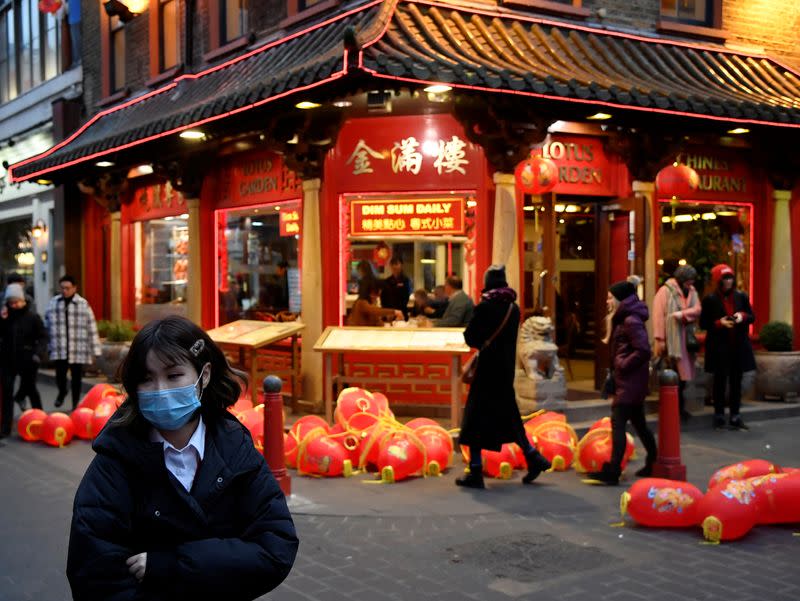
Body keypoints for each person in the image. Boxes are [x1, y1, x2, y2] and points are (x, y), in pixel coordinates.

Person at [66, 316, 298, 600]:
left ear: (205, 375)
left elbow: (275, 547)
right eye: (147, 379)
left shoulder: (235, 449)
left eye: (174, 375)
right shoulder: (115, 462)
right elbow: (94, 575)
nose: (161, 391)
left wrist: (174, 564)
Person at [456, 265, 551, 489]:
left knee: (474, 420)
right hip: (505, 372)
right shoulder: (514, 309)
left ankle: (476, 471)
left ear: (487, 282)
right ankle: (532, 457)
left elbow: (471, 338)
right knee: (510, 417)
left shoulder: (485, 307)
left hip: (487, 372)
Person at [587, 281, 658, 485]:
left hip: (630, 381)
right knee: (639, 423)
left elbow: (643, 349)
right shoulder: (624, 318)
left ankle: (613, 470)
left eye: (610, 297)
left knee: (618, 421)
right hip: (630, 380)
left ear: (619, 299)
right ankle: (653, 459)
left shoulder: (630, 320)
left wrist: (622, 364)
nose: (607, 301)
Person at [699, 264, 755, 431]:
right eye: (725, 278)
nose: (728, 281)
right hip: (719, 348)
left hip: (738, 347)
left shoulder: (741, 297)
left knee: (737, 382)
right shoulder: (710, 299)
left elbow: (752, 316)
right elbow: (703, 323)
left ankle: (735, 415)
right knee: (719, 382)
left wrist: (741, 316)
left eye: (730, 277)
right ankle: (719, 415)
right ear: (718, 281)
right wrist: (719, 323)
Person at [652, 265, 701, 422]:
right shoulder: (665, 291)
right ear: (681, 280)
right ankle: (670, 409)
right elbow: (658, 317)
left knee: (683, 379)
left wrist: (682, 314)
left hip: (686, 341)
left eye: (692, 281)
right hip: (671, 341)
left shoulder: (692, 291)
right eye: (688, 281)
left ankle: (680, 408)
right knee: (671, 376)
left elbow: (698, 309)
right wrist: (660, 339)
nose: (690, 284)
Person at [45, 275, 101, 409]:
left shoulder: (83, 304)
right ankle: (62, 392)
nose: (64, 291)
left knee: (77, 378)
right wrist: (47, 346)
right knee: (60, 376)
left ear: (74, 288)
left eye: (67, 288)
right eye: (62, 288)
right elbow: (47, 325)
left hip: (77, 347)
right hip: (60, 347)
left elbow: (91, 326)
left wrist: (95, 350)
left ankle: (75, 405)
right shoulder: (53, 303)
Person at [0, 284, 47, 437]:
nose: (14, 305)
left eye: (16, 302)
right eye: (11, 302)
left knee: (31, 390)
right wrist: (3, 319)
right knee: (7, 393)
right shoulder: (5, 316)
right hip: (7, 360)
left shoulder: (32, 317)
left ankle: (42, 422)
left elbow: (43, 336)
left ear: (23, 300)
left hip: (28, 359)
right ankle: (5, 427)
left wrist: (38, 354)